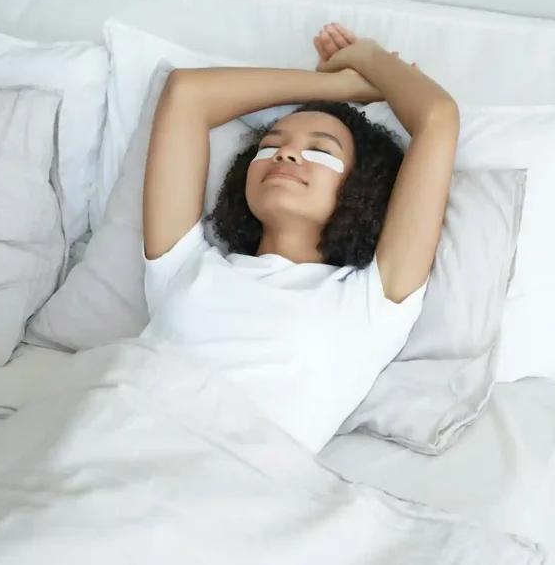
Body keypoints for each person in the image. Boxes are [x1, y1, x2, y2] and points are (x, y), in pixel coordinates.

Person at [141, 23, 459, 452]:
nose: (285, 154)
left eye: (320, 150)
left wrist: (368, 58)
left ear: (359, 188)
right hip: (118, 436)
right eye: (269, 147)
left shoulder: (371, 301)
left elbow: (438, 118)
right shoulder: (183, 265)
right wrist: (341, 87)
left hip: (228, 485)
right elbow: (186, 93)